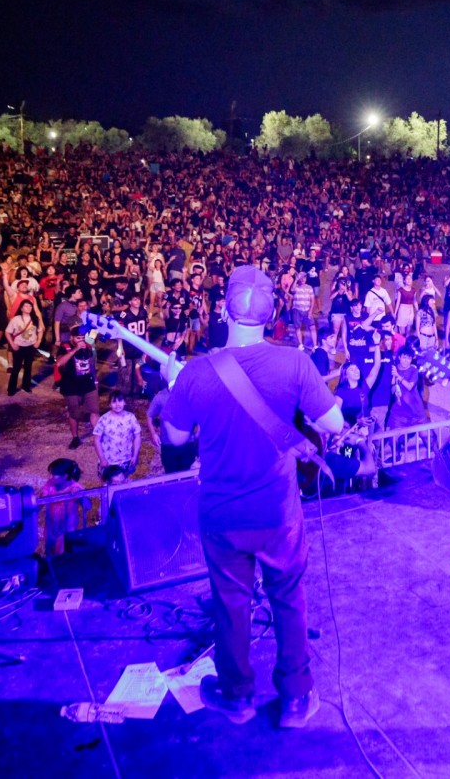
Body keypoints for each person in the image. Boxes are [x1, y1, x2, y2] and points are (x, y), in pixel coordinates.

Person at [162, 264, 344, 730]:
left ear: (222, 309)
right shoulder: (295, 363)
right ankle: (298, 700)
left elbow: (176, 439)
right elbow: (333, 427)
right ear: (273, 312)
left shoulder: (197, 373)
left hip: (222, 513)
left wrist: (173, 385)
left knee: (230, 602)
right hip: (278, 511)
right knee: (289, 597)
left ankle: (238, 695)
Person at [55, 329, 100, 449]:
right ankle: (75, 438)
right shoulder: (65, 348)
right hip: (71, 386)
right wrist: (75, 349)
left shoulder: (89, 347)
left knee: (94, 410)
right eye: (78, 338)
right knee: (74, 413)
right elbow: (59, 363)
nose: (81, 340)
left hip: (87, 384)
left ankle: (98, 435)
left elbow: (91, 364)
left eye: (82, 337)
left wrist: (95, 380)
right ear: (72, 338)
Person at [38, 458, 87, 557]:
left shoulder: (75, 487)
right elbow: (39, 505)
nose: (50, 477)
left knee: (63, 555)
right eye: (49, 474)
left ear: (65, 476)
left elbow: (88, 506)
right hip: (51, 528)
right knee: (49, 553)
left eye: (53, 475)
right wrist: (42, 498)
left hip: (67, 529)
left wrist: (80, 495)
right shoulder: (49, 485)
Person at [93, 394, 143, 483]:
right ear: (109, 404)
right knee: (107, 483)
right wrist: (102, 459)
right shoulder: (103, 419)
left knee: (123, 481)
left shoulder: (130, 417)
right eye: (114, 402)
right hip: (109, 460)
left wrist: (135, 455)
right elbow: (97, 440)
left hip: (126, 459)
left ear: (124, 402)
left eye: (120, 401)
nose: (117, 404)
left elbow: (137, 436)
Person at [5, 298, 43, 395]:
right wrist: (12, 344)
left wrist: (38, 341)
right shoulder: (16, 319)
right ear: (21, 308)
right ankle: (11, 389)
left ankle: (26, 386)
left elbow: (40, 330)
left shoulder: (35, 319)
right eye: (26, 306)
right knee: (16, 367)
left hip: (30, 346)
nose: (29, 308)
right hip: (19, 346)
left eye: (30, 306)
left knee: (28, 367)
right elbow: (7, 332)